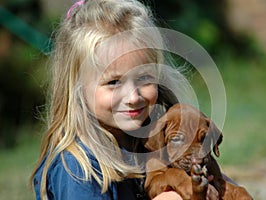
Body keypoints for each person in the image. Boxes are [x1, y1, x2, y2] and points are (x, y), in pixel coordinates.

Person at [30, 0, 220, 199]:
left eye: (144, 78)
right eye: (113, 82)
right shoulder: (78, 169)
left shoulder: (152, 139)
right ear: (76, 88)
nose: (133, 97)